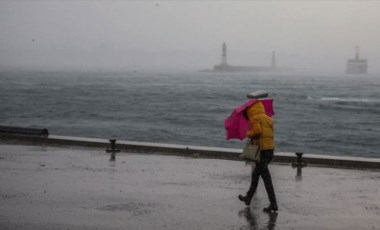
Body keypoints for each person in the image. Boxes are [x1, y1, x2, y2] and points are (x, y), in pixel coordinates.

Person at [238, 101, 278, 212]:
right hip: (270, 150)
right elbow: (268, 133)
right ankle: (248, 197)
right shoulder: (268, 118)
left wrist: (248, 133)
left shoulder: (255, 118)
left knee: (266, 179)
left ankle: (273, 203)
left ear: (250, 110)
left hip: (262, 151)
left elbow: (257, 131)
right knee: (256, 175)